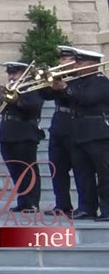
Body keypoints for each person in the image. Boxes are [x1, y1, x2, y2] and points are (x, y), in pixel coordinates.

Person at [49, 47, 109, 221]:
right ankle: (86, 208)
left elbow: (87, 98)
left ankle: (107, 210)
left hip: (97, 131)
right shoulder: (76, 81)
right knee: (83, 173)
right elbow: (57, 96)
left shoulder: (101, 82)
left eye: (80, 63)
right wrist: (53, 85)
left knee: (104, 173)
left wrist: (65, 87)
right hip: (77, 132)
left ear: (92, 64)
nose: (77, 66)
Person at [0, 61, 44, 213]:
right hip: (7, 132)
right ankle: (23, 200)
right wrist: (2, 95)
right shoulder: (11, 88)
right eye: (9, 73)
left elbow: (33, 107)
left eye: (15, 73)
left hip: (25, 132)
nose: (11, 76)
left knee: (28, 169)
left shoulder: (31, 87)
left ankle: (32, 202)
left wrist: (15, 99)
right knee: (14, 169)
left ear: (24, 73)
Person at [42, 46, 79, 217]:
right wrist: (45, 83)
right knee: (57, 168)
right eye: (62, 59)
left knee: (80, 170)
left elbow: (78, 99)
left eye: (67, 59)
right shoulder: (59, 77)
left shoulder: (82, 78)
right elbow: (47, 96)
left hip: (75, 125)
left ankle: (86, 206)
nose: (62, 62)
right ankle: (62, 205)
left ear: (75, 61)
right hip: (58, 125)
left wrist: (63, 87)